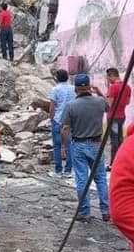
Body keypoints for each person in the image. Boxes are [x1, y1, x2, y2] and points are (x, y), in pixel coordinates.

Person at [61, 73, 110, 223]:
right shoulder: (100, 102)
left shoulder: (71, 106)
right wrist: (100, 92)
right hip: (96, 144)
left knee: (82, 179)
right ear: (89, 86)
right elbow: (109, 106)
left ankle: (85, 212)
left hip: (79, 144)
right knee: (101, 178)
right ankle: (106, 211)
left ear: (76, 88)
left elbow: (65, 128)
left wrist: (63, 145)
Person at [93, 67, 132, 165]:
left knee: (114, 141)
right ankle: (121, 161)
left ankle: (113, 163)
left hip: (113, 117)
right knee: (119, 139)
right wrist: (100, 93)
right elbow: (127, 102)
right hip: (122, 116)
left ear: (111, 75)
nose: (108, 80)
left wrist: (101, 96)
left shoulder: (113, 87)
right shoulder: (127, 87)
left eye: (108, 77)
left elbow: (108, 105)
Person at [49, 69, 76, 176]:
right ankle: (69, 170)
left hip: (58, 119)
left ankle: (58, 170)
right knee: (70, 145)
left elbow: (52, 107)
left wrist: (52, 119)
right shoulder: (73, 89)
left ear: (56, 78)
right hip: (70, 120)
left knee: (57, 145)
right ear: (67, 77)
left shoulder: (55, 89)